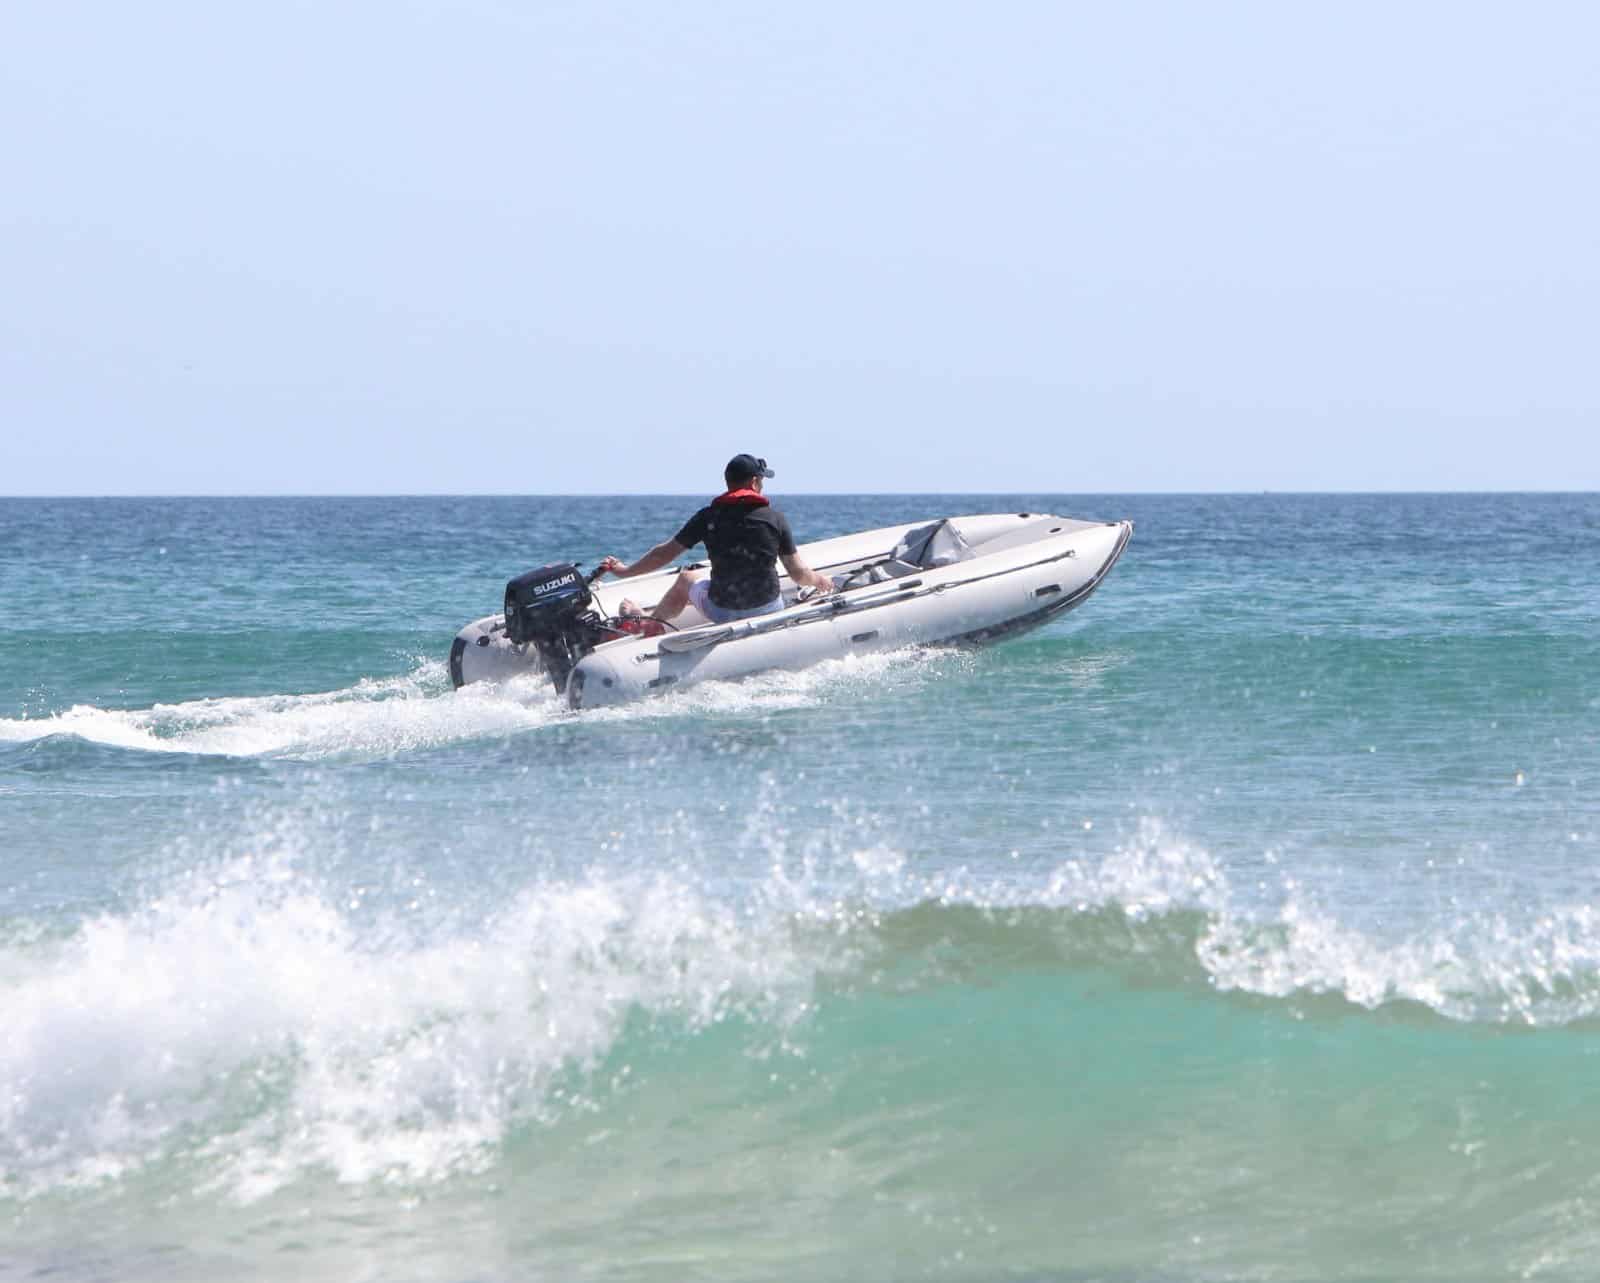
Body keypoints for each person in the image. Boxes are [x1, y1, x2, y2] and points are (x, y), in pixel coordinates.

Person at [599, 454, 833, 624]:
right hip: (767, 609)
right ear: (754, 483)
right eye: (761, 481)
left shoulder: (707, 517)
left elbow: (663, 554)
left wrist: (623, 571)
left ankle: (652, 623)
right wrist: (820, 581)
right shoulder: (774, 519)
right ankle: (651, 621)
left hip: (724, 611)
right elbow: (798, 574)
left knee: (687, 579)